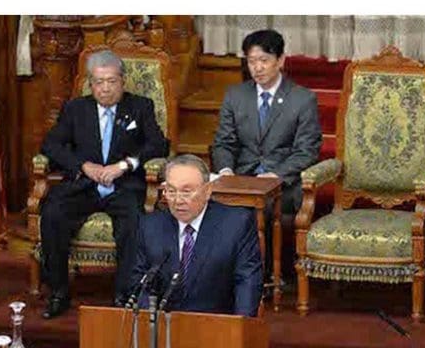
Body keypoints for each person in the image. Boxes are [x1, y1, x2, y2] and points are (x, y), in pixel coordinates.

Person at [39, 49, 169, 319]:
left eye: (111, 81)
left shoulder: (140, 107)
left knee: (133, 222)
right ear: (91, 84)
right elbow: (51, 144)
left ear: (122, 81)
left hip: (124, 187)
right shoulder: (76, 109)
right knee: (52, 213)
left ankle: (125, 294)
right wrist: (84, 166)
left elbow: (158, 144)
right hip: (83, 185)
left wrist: (124, 166)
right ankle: (58, 292)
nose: (106, 89)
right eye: (99, 82)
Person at [131, 154, 263, 317]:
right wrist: (149, 323)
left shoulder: (236, 224)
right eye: (171, 191)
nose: (178, 200)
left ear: (207, 191)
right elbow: (139, 281)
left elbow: (247, 283)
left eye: (186, 192)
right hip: (164, 330)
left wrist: (239, 330)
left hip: (217, 329)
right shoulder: (151, 226)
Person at [211, 29, 322, 215]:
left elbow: (306, 151)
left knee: (258, 208)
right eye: (252, 61)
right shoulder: (235, 96)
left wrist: (275, 175)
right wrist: (225, 170)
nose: (257, 68)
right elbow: (223, 143)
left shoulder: (302, 99)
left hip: (282, 184)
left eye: (264, 60)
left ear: (280, 60)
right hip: (242, 180)